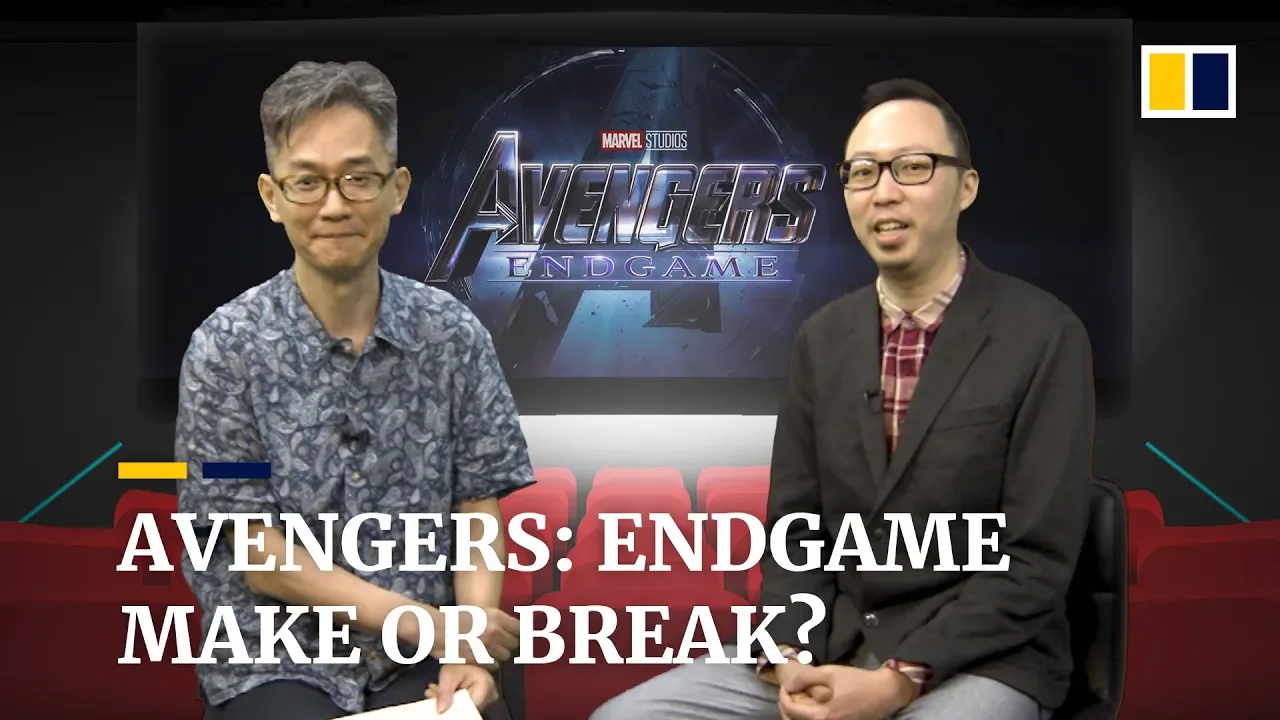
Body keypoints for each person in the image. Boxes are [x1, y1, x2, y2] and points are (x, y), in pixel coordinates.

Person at [591, 78, 1095, 720]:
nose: (884, 191)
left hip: (981, 658)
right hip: (835, 642)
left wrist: (899, 679)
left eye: (912, 167)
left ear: (966, 187)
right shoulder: (822, 338)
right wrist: (790, 651)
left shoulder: (1045, 334)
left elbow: (1035, 561)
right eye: (863, 172)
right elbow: (795, 531)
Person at [175, 61, 534, 719]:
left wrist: (472, 645)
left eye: (358, 178)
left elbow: (476, 509)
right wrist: (432, 625)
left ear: (398, 189)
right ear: (271, 196)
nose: (335, 205)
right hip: (275, 658)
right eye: (307, 181)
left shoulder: (454, 335)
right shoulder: (223, 348)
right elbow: (259, 553)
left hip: (422, 656)